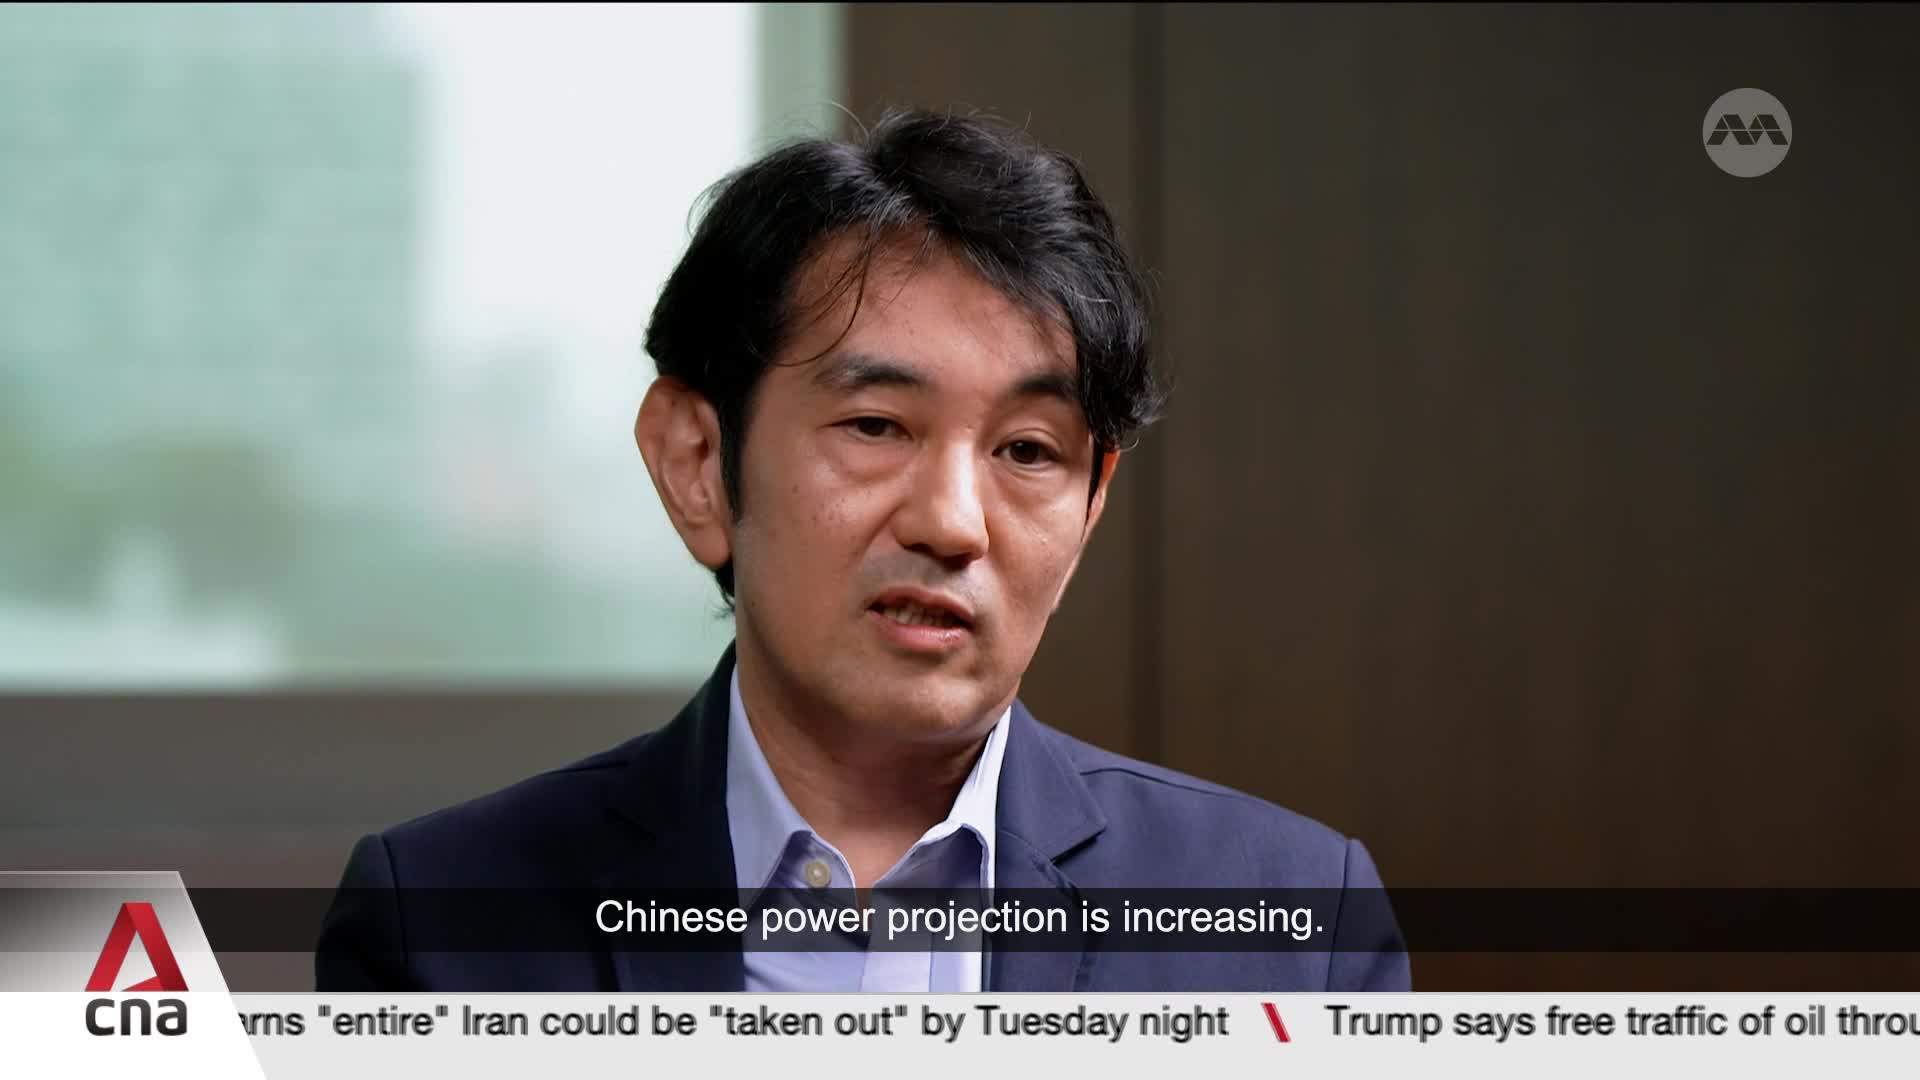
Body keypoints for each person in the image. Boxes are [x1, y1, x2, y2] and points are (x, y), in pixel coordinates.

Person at [316, 109, 1408, 992]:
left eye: (1028, 450)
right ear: (698, 462)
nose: (953, 521)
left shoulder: (1292, 928)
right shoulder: (443, 924)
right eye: (877, 427)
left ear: (1088, 510)